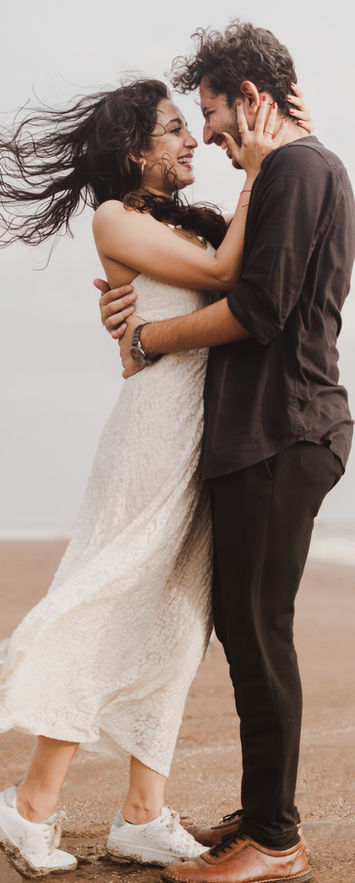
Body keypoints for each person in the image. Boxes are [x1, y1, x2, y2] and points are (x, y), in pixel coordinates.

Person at [0, 78, 309, 878]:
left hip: (203, 446)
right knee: (106, 601)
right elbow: (229, 275)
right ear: (134, 149)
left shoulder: (181, 222)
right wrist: (261, 166)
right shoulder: (117, 217)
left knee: (176, 626)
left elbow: (219, 286)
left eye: (189, 125)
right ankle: (29, 804)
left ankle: (141, 812)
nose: (190, 141)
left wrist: (280, 158)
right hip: (151, 441)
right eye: (174, 129)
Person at [98, 22, 355, 883]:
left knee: (255, 629)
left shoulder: (295, 169)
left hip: (283, 429)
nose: (205, 133)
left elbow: (261, 310)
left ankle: (276, 840)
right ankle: (261, 809)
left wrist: (153, 336)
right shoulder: (291, 168)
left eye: (211, 112)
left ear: (250, 98)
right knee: (244, 628)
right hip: (271, 429)